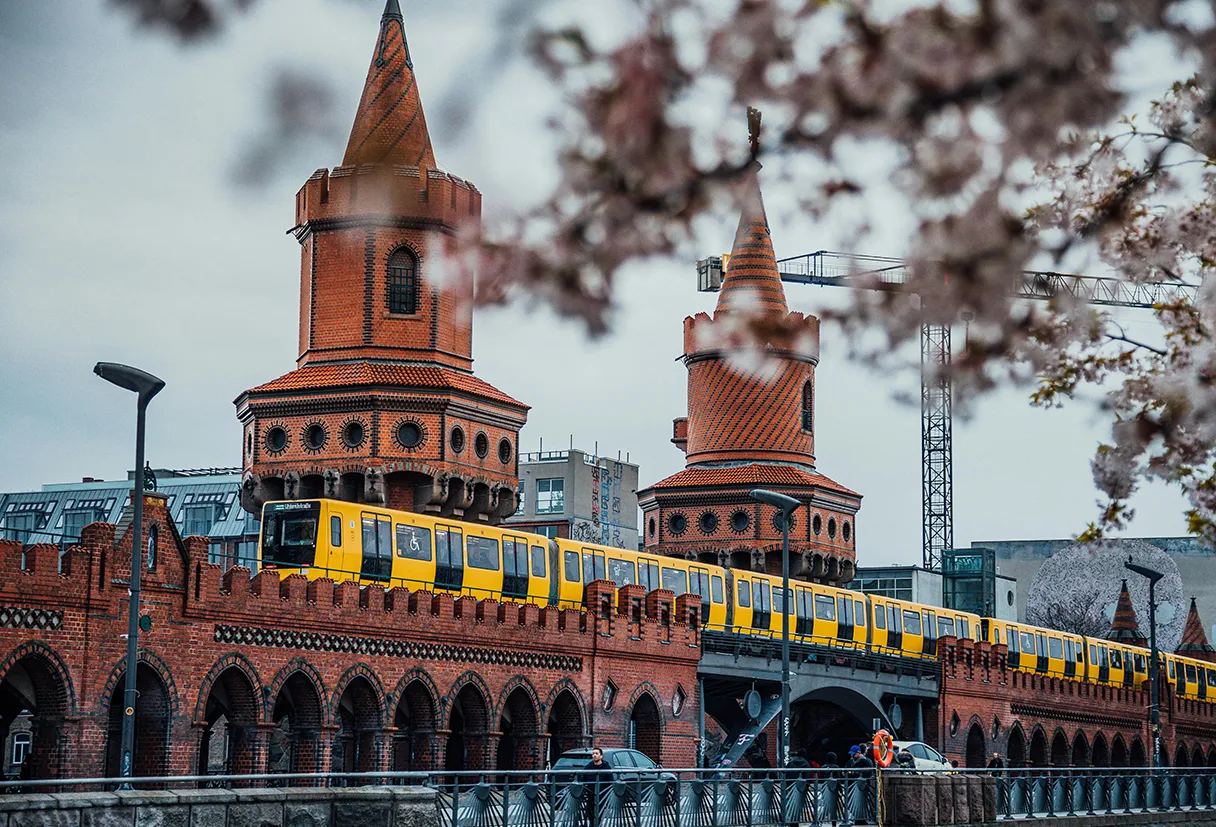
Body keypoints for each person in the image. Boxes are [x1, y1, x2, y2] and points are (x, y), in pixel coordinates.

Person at [582, 747, 613, 827]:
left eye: (596, 753)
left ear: (601, 756)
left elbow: (611, 782)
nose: (594, 755)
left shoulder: (606, 767)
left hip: (602, 795)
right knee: (590, 814)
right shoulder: (588, 767)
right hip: (590, 794)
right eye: (593, 754)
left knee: (599, 813)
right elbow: (582, 780)